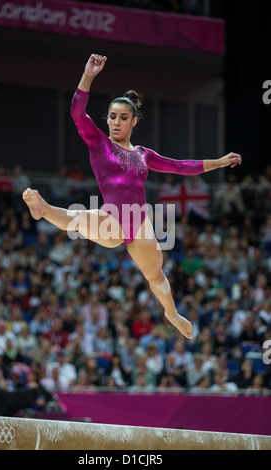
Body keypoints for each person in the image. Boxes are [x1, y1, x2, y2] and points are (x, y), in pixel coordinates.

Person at [23, 54, 242, 340]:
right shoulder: (98, 142)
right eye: (112, 117)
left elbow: (180, 166)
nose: (115, 122)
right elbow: (78, 113)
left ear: (133, 121)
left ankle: (172, 313)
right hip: (112, 220)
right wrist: (88, 76)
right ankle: (44, 208)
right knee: (77, 218)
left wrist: (219, 161)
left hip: (140, 227)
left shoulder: (143, 154)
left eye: (122, 118)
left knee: (156, 275)